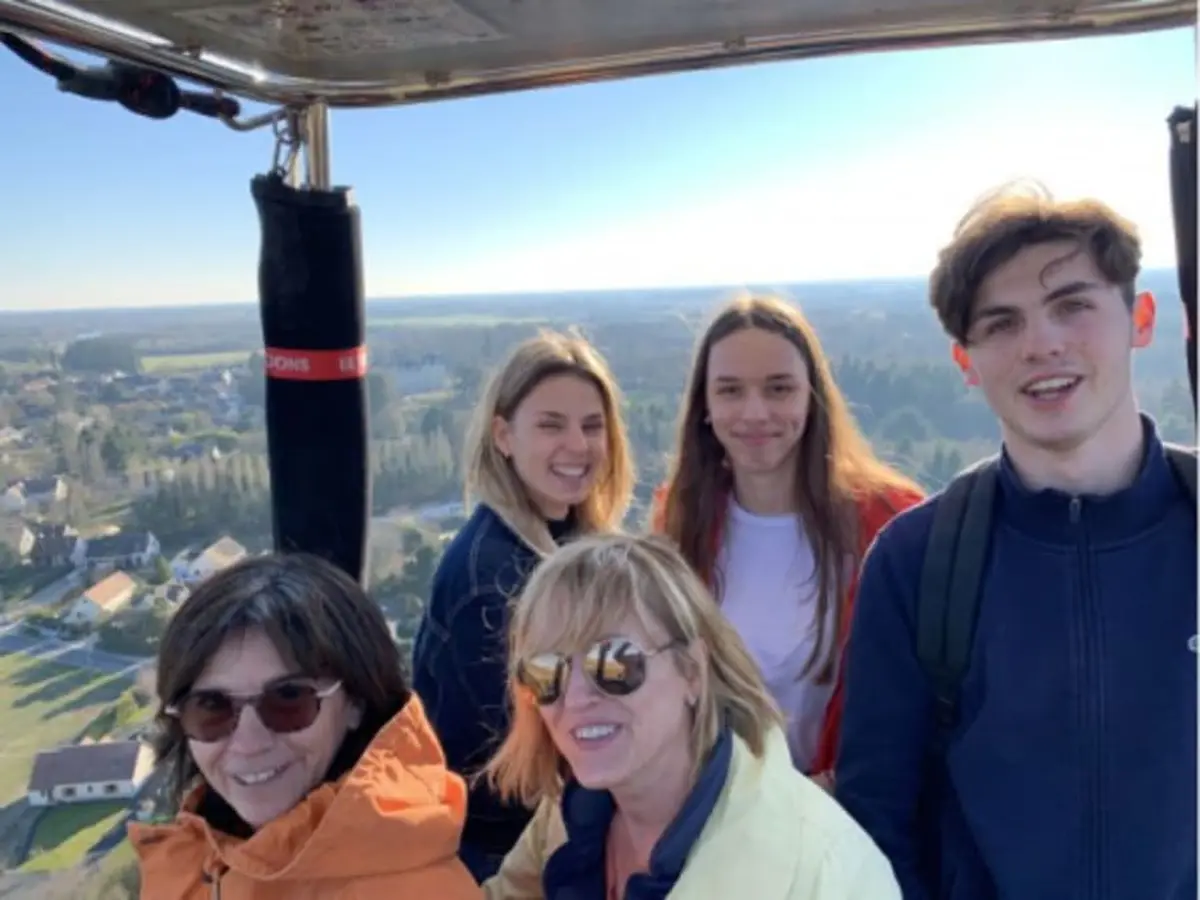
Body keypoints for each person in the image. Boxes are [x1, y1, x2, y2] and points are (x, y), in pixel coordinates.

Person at [834, 182, 1198, 899]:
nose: (1041, 344)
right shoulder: (918, 563)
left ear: (1141, 318)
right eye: (1001, 325)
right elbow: (879, 825)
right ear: (966, 363)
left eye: (1072, 305)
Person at [479, 532, 901, 899]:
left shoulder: (823, 872)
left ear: (692, 672)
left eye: (612, 663)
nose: (574, 698)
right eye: (546, 672)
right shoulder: (570, 818)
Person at [651, 293, 924, 780]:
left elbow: (923, 697)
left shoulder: (893, 521)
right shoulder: (676, 523)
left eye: (779, 389)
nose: (755, 413)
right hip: (717, 814)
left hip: (853, 816)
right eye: (731, 391)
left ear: (811, 397)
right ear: (704, 407)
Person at [412, 328, 636, 881]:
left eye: (591, 425)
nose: (578, 446)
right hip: (501, 855)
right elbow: (530, 760)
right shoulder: (491, 582)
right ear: (504, 436)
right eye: (550, 425)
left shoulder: (568, 537)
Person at [127, 552, 482, 899]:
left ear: (356, 702)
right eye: (211, 706)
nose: (249, 743)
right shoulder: (196, 856)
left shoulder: (421, 890)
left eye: (288, 699)